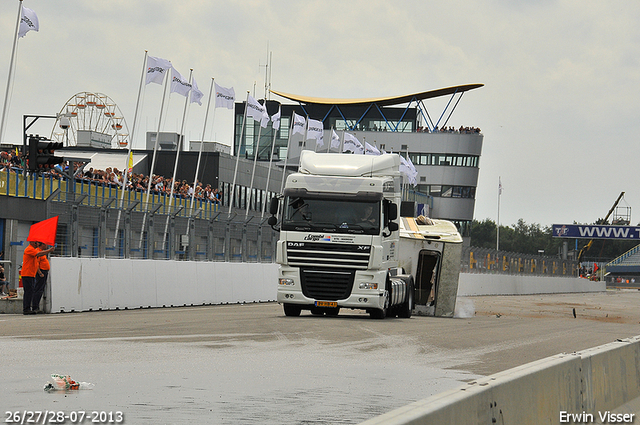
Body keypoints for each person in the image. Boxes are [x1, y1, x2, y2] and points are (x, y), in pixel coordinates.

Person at [21, 241, 54, 315]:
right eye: (36, 243)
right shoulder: (29, 249)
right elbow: (38, 254)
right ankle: (27, 308)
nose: (37, 245)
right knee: (29, 291)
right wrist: (49, 251)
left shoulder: (33, 250)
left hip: (31, 274)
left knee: (31, 291)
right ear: (32, 243)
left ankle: (29, 308)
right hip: (27, 273)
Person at [32, 242, 51, 313]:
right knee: (38, 289)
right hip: (41, 272)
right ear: (42, 245)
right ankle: (35, 307)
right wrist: (40, 273)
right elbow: (36, 264)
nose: (46, 246)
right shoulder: (38, 252)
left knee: (40, 289)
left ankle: (37, 306)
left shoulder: (42, 252)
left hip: (44, 272)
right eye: (45, 244)